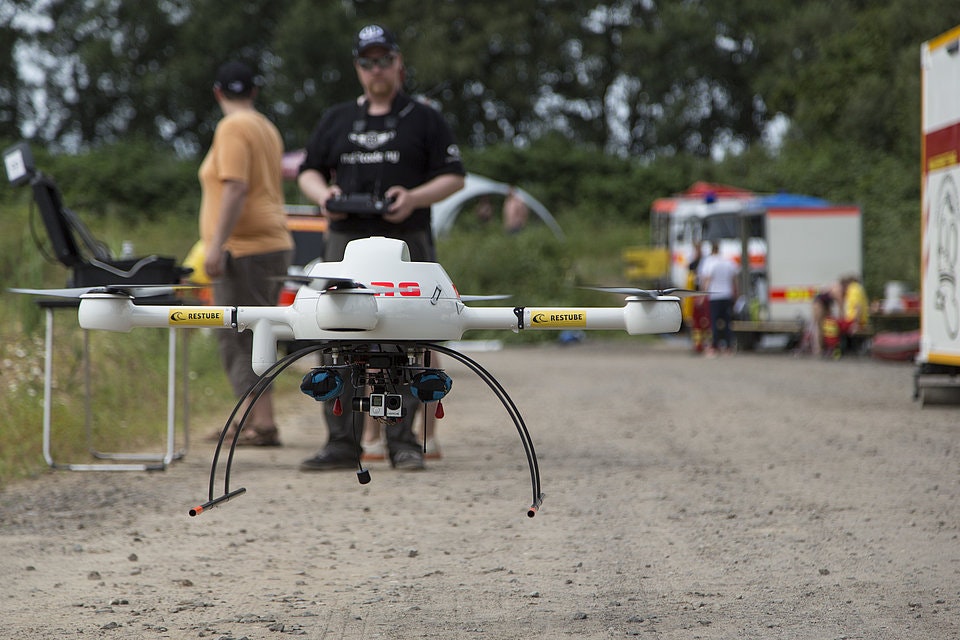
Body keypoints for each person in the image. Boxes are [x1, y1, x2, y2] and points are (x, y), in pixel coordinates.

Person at [297, 24, 465, 471]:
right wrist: (323, 197)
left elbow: (455, 175)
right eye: (367, 62)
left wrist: (412, 197)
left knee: (408, 335)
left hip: (405, 241)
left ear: (398, 64)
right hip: (344, 243)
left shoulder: (424, 117)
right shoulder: (336, 119)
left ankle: (403, 440)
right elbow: (309, 170)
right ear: (358, 67)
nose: (376, 70)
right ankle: (341, 442)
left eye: (384, 60)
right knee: (332, 331)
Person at [199, 61, 293, 446]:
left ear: (218, 93)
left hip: (246, 249)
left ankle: (262, 423)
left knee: (239, 335)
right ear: (253, 92)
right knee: (258, 332)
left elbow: (235, 187)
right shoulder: (265, 126)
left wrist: (216, 245)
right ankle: (254, 419)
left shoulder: (232, 127)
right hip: (270, 243)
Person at [698, 241, 739, 356]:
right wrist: (736, 294)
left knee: (713, 322)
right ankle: (729, 346)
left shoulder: (710, 262)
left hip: (714, 296)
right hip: (727, 295)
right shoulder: (728, 262)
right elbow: (734, 280)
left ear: (712, 250)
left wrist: (702, 295)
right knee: (727, 322)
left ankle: (714, 346)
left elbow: (706, 279)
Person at [838, 274, 870, 353]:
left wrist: (856, 323)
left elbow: (858, 307)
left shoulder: (853, 289)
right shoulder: (858, 288)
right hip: (859, 320)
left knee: (834, 325)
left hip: (855, 320)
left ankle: (838, 349)